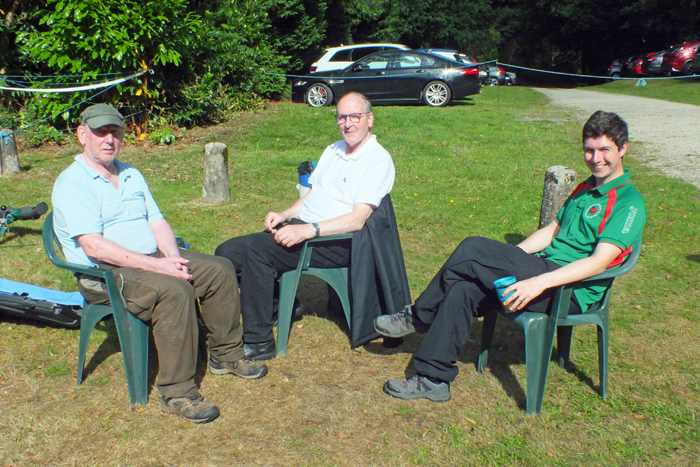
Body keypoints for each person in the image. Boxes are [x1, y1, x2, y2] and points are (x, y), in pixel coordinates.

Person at [374, 110, 646, 402]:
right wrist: (508, 257)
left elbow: (599, 262)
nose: (595, 158)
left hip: (571, 292)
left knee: (472, 247)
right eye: (589, 150)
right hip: (544, 268)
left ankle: (419, 315)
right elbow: (553, 230)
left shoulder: (629, 203)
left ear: (623, 148)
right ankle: (432, 379)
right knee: (463, 288)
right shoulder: (585, 188)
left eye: (604, 150)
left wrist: (539, 282)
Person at [52, 104, 267, 424]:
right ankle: (177, 392)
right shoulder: (74, 183)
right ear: (82, 135)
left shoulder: (131, 174)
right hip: (105, 273)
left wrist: (172, 257)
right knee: (175, 289)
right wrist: (161, 268)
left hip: (148, 258)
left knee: (219, 269)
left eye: (115, 132)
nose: (109, 139)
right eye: (100, 132)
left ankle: (226, 355)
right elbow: (93, 246)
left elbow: (157, 222)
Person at [216, 92, 395, 360]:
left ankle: (259, 341)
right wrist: (284, 214)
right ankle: (280, 306)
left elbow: (358, 219)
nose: (348, 124)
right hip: (307, 227)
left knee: (255, 250)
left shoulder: (377, 160)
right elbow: (313, 195)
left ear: (370, 119)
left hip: (338, 241)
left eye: (355, 117)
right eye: (341, 117)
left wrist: (307, 230)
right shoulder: (333, 150)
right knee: (227, 252)